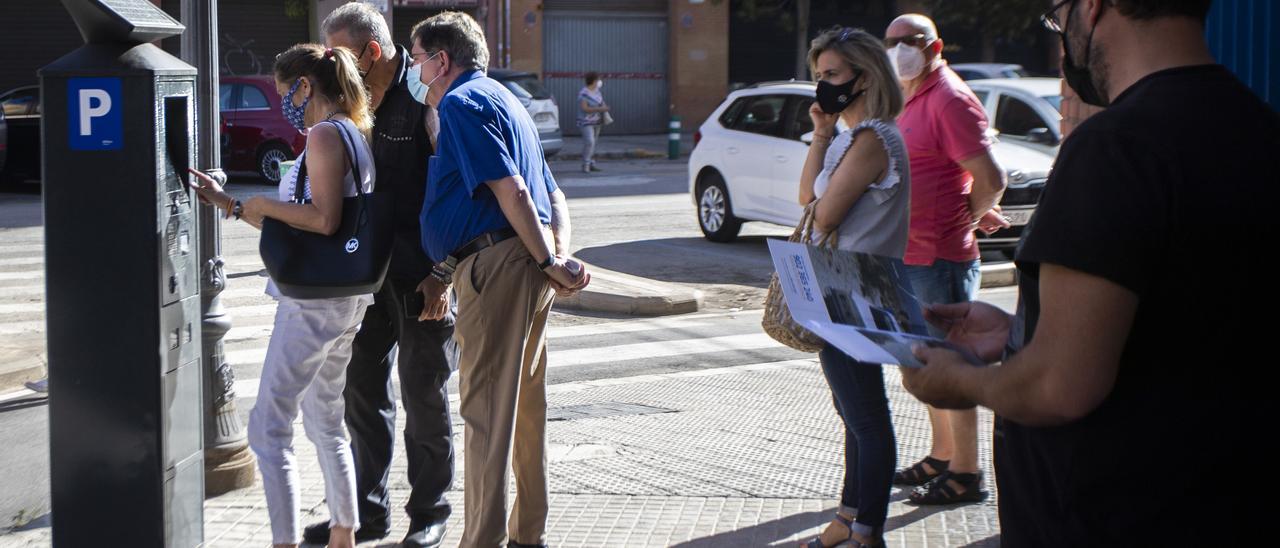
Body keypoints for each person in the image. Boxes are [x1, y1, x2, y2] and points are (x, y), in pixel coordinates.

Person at [901, 0, 1277, 544]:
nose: (1061, 40)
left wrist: (959, 380)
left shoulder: (1113, 147)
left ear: (1092, 8)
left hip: (1115, 514)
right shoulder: (1259, 128)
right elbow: (1195, 324)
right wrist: (1020, 334)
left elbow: (1059, 387)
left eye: (1057, 17)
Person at [408, 11, 589, 548]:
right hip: (519, 265)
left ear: (442, 60)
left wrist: (552, 263)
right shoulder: (511, 101)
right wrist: (556, 256)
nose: (416, 72)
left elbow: (513, 191)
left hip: (498, 268)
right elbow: (553, 195)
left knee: (486, 414)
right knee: (525, 411)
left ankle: (482, 540)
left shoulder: (463, 103)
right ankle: (526, 535)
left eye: (417, 60)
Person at [189, 43, 377, 548]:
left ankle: (285, 540)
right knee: (324, 418)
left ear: (305, 86)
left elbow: (322, 218)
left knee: (268, 429)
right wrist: (231, 204)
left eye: (283, 92)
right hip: (345, 296)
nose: (284, 103)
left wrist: (263, 205)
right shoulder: (353, 132)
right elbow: (307, 218)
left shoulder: (323, 135)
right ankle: (344, 531)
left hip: (314, 303)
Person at [303, 4, 458, 547]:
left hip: (421, 274)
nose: (331, 65)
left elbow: (457, 187)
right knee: (361, 394)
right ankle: (366, 513)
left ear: (372, 50)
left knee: (424, 393)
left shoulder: (428, 97)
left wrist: (444, 272)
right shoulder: (351, 96)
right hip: (363, 275)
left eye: (339, 54)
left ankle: (429, 514)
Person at [882, 13, 1008, 505]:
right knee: (923, 362)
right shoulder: (911, 95)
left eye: (909, 42)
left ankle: (966, 473)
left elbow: (991, 178)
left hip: (939, 259)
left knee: (952, 364)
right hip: (908, 254)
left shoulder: (951, 99)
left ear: (934, 47)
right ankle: (941, 455)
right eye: (890, 42)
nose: (898, 50)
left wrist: (967, 219)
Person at [794, 27, 910, 548]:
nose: (823, 85)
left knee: (866, 417)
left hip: (858, 292)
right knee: (852, 412)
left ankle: (867, 529)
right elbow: (807, 199)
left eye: (833, 76)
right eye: (819, 75)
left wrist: (821, 204)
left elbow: (827, 211)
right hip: (838, 287)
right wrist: (820, 132)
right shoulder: (846, 138)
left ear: (865, 77)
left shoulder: (874, 140)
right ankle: (849, 518)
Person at [576, 72, 610, 173]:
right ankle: (585, 164)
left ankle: (591, 163)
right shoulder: (584, 93)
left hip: (597, 122)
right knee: (589, 142)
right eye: (598, 80)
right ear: (593, 81)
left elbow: (601, 103)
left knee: (593, 144)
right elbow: (585, 108)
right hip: (585, 122)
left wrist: (603, 108)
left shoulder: (597, 92)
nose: (600, 82)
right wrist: (601, 109)